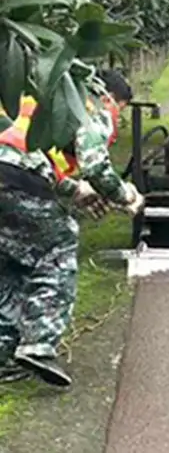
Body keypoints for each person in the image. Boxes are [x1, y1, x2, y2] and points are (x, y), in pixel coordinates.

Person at [0, 68, 143, 387]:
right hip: (17, 175)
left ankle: (4, 357)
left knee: (10, 262)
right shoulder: (90, 102)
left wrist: (76, 190)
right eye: (119, 108)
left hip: (10, 172)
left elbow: (32, 154)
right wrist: (124, 195)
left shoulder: (37, 93)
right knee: (58, 243)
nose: (116, 116)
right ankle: (39, 344)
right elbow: (95, 163)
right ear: (112, 98)